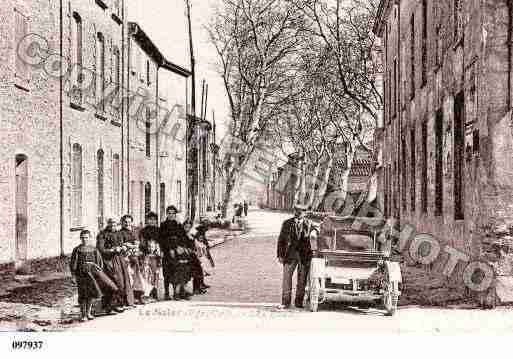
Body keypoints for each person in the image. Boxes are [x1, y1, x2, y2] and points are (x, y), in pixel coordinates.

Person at [276, 203, 315, 309]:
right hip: (289, 255)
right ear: (294, 212)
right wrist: (280, 255)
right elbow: (281, 240)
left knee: (302, 280)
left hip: (304, 256)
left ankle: (299, 302)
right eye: (297, 211)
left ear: (305, 213)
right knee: (286, 279)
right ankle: (285, 302)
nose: (298, 213)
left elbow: (315, 238)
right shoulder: (287, 223)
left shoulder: (310, 224)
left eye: (301, 212)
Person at [97, 217, 133, 312]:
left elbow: (121, 244)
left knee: (123, 281)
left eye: (115, 224)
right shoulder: (102, 235)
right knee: (113, 281)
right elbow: (101, 249)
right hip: (108, 261)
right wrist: (112, 250)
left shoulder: (118, 233)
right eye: (111, 223)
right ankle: (110, 305)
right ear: (107, 223)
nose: (113, 225)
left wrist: (124, 247)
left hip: (120, 260)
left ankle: (120, 303)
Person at [71, 230, 105, 321]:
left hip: (92, 275)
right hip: (81, 275)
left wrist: (98, 273)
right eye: (82, 237)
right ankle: (83, 315)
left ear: (90, 238)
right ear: (80, 238)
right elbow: (73, 264)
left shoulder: (94, 249)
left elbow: (99, 262)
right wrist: (73, 276)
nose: (84, 239)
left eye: (86, 237)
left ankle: (88, 313)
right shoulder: (77, 249)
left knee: (91, 294)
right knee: (82, 295)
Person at [159, 205, 186, 300]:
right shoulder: (163, 225)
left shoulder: (178, 225)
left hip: (176, 251)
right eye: (169, 213)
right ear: (167, 214)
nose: (171, 215)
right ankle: (166, 293)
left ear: (175, 214)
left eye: (173, 213)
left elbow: (182, 237)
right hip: (166, 251)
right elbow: (161, 239)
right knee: (166, 272)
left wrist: (180, 247)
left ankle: (175, 292)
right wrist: (165, 249)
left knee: (175, 271)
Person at [118, 214, 146, 305]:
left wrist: (136, 246)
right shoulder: (120, 233)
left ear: (132, 222)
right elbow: (121, 244)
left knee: (137, 276)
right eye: (125, 222)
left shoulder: (135, 231)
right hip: (126, 257)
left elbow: (138, 242)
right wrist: (129, 245)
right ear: (122, 223)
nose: (127, 224)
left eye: (129, 222)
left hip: (136, 256)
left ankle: (139, 296)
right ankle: (130, 297)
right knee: (129, 277)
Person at [139, 211, 162, 300]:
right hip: (147, 254)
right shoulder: (143, 231)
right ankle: (147, 291)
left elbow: (161, 242)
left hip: (156, 255)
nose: (151, 221)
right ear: (146, 220)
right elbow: (142, 242)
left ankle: (155, 290)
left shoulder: (159, 230)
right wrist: (145, 250)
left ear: (156, 221)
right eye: (149, 219)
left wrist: (158, 249)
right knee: (146, 273)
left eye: (153, 220)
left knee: (156, 273)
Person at [183, 220, 210, 295]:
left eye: (189, 227)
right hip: (185, 256)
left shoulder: (191, 235)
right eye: (186, 227)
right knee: (195, 268)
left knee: (199, 268)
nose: (187, 228)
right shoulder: (182, 235)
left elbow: (196, 245)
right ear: (183, 226)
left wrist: (197, 251)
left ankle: (197, 288)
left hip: (192, 255)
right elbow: (183, 245)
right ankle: (193, 288)